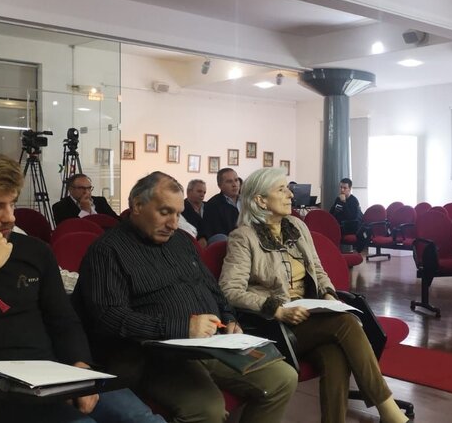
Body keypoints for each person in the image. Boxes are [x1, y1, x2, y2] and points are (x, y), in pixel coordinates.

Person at [0, 149, 161, 423]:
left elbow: (63, 320)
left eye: (12, 204)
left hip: (53, 374)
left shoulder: (35, 251)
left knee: (142, 418)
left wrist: (80, 366)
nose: (10, 218)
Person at [75, 171, 297, 423]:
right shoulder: (107, 251)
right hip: (154, 355)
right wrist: (183, 327)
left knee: (283, 378)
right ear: (137, 205)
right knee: (208, 408)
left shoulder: (180, 241)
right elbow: (110, 317)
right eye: (165, 212)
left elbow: (212, 288)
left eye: (178, 214)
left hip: (212, 343)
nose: (173, 223)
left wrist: (229, 318)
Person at [218, 168, 409, 423]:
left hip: (310, 316)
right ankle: (388, 409)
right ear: (261, 200)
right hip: (275, 325)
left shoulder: (297, 226)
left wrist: (328, 294)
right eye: (281, 190)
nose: (290, 195)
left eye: (288, 189)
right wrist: (277, 309)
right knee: (345, 322)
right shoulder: (244, 237)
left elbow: (318, 270)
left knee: (335, 355)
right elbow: (229, 290)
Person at [53, 173, 119, 225]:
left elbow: (116, 221)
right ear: (70, 189)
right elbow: (68, 229)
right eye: (81, 188)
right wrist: (85, 211)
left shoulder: (101, 201)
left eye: (89, 188)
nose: (86, 192)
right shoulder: (60, 207)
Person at [204, 168, 242, 243]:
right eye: (229, 181)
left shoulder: (247, 201)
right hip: (229, 243)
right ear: (220, 185)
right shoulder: (213, 205)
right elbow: (217, 233)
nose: (234, 185)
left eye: (236, 180)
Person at [182, 179, 207, 243]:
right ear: (188, 192)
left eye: (204, 192)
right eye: (199, 191)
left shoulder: (209, 207)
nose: (202, 195)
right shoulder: (181, 208)